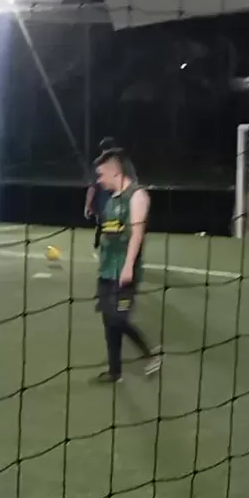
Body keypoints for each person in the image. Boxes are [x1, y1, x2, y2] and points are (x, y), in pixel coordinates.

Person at [93, 149, 160, 382]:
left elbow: (137, 234)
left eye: (102, 174)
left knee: (118, 318)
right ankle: (115, 371)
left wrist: (129, 266)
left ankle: (150, 355)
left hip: (124, 271)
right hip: (106, 271)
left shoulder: (137, 196)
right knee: (109, 322)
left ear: (115, 171)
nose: (99, 180)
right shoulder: (110, 200)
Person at [84, 137, 119, 249]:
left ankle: (100, 242)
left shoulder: (98, 164)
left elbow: (92, 187)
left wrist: (87, 205)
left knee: (105, 224)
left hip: (104, 201)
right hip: (111, 201)